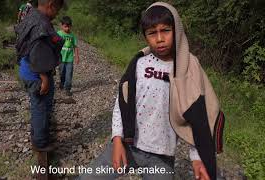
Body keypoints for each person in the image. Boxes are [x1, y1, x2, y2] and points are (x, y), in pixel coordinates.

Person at [77, 2, 225, 180]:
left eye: (166, 30)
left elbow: (199, 118)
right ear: (145, 37)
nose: (160, 38)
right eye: (152, 33)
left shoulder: (188, 69)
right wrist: (117, 139)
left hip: (161, 157)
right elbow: (121, 103)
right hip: (128, 145)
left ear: (177, 30)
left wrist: (197, 157)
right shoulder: (139, 64)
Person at [15, 0, 65, 151]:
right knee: (41, 107)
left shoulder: (32, 15)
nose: (57, 14)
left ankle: (36, 134)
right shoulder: (42, 24)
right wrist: (44, 78)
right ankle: (40, 142)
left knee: (38, 105)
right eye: (57, 10)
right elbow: (38, 52)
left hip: (27, 69)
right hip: (36, 74)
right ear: (51, 5)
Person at [57, 16, 79, 96]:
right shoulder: (59, 34)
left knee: (69, 74)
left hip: (69, 59)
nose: (67, 28)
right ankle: (62, 83)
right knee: (62, 72)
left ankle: (67, 88)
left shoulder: (72, 36)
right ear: (61, 26)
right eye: (65, 26)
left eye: (68, 26)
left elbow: (75, 46)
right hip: (61, 58)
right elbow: (55, 44)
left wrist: (77, 56)